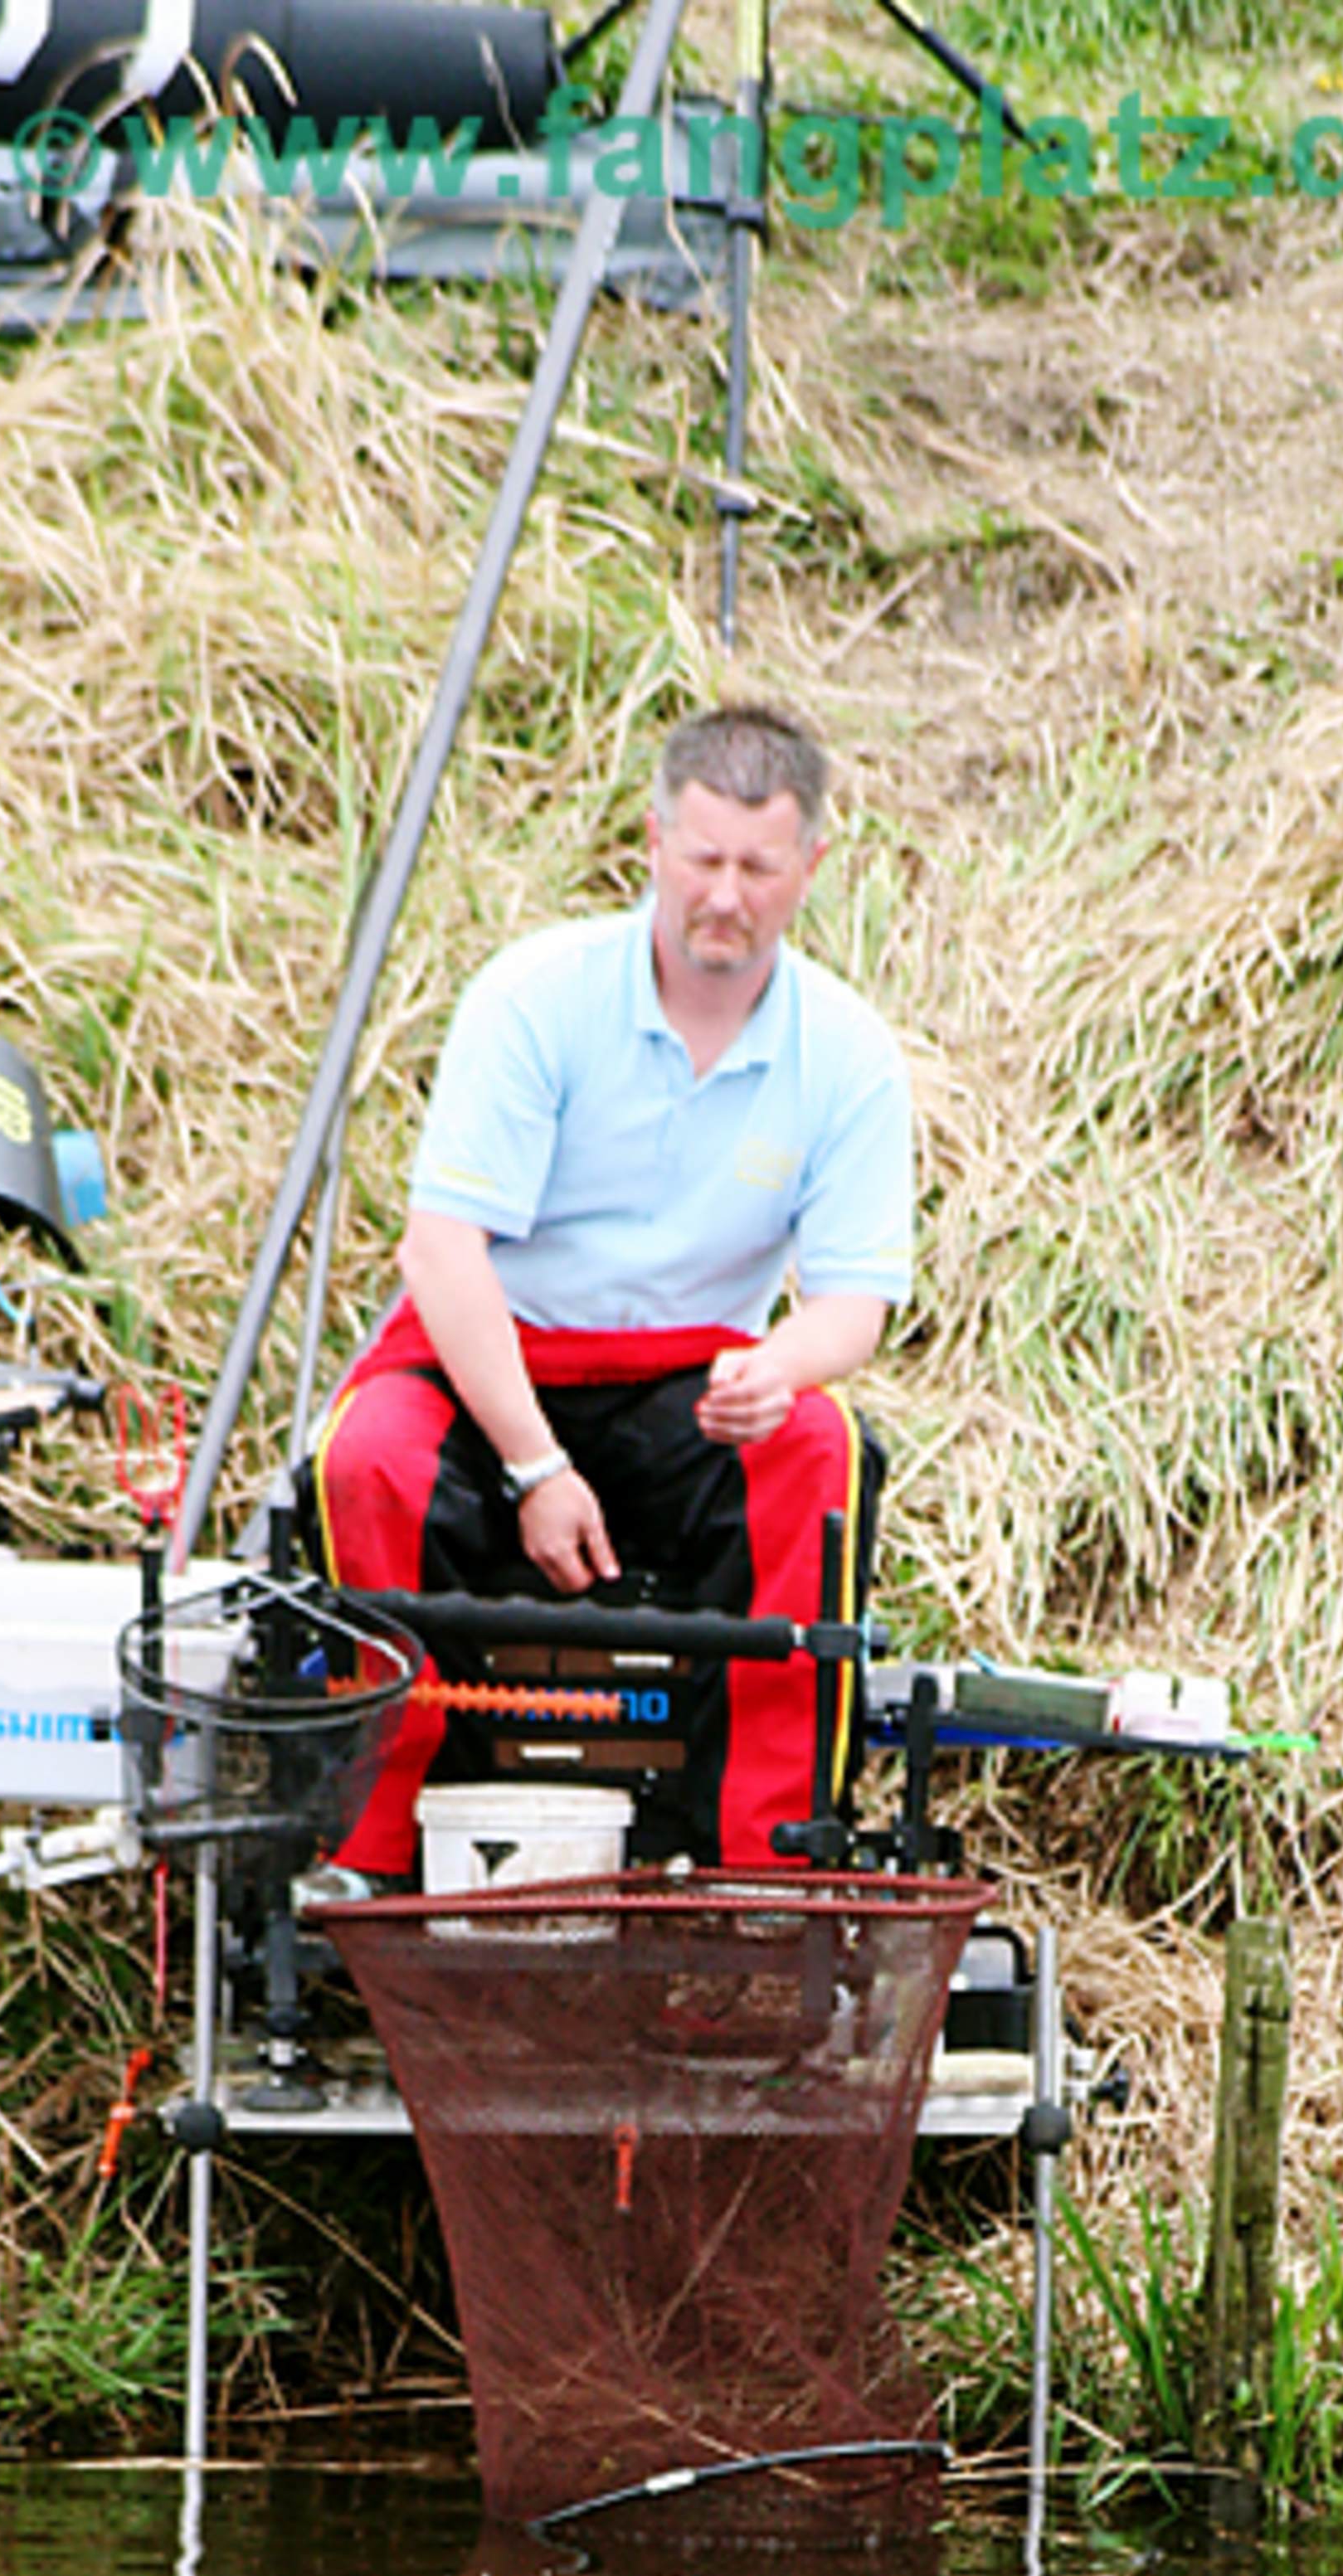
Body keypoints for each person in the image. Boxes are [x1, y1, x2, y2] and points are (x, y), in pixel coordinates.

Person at [304, 699, 913, 1877]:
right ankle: (371, 1848)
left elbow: (853, 1304)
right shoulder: (535, 998)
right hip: (494, 1363)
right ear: (653, 843)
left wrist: (775, 1369)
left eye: (758, 867)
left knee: (819, 1446)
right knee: (366, 1458)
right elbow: (441, 1256)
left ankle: (764, 1856)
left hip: (684, 1381)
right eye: (704, 860)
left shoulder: (848, 1056)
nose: (726, 896)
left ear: (811, 869)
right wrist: (536, 1467)